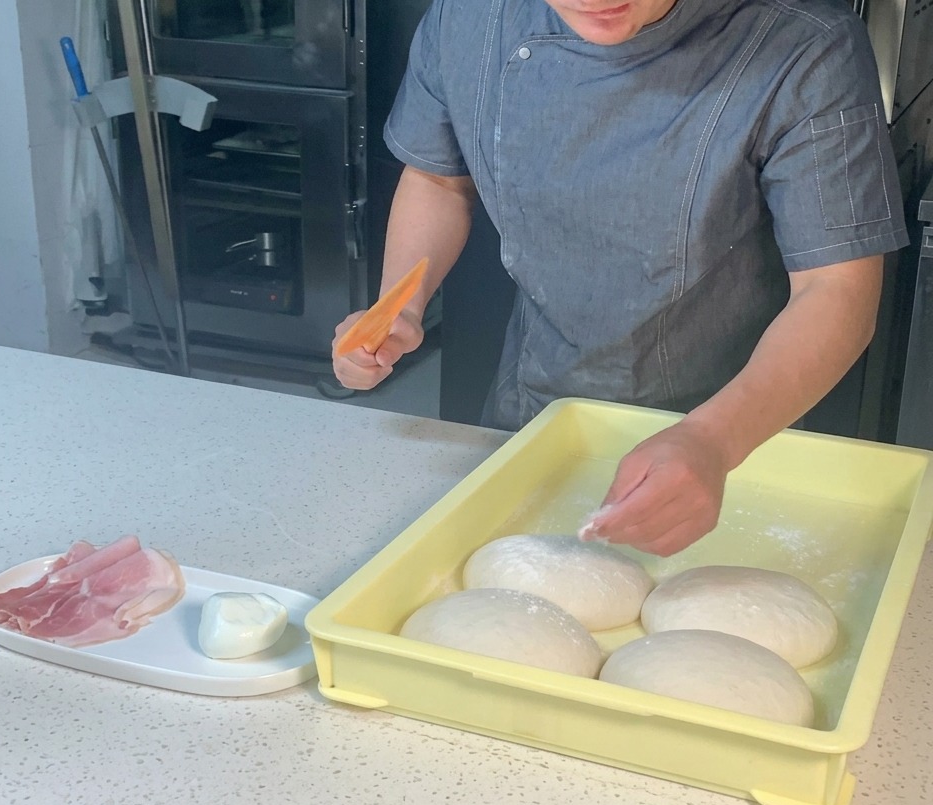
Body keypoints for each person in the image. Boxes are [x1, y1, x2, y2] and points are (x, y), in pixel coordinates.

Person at [331, 0, 909, 557]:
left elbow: (835, 291)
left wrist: (714, 440)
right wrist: (398, 305)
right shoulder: (470, 19)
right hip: (535, 415)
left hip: (732, 432)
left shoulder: (803, 47)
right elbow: (438, 178)